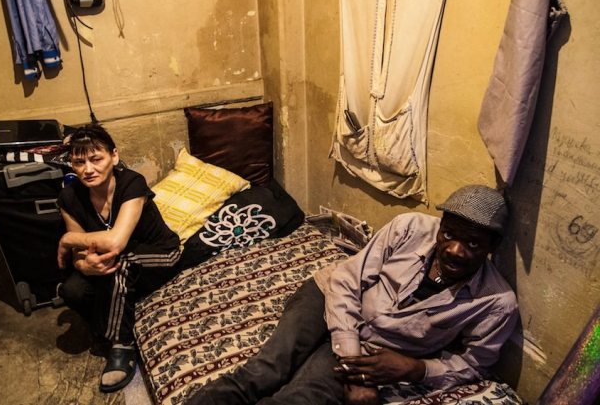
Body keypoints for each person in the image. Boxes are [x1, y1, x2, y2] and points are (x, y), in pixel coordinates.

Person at [186, 185, 519, 405]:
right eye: (449, 235)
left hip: (373, 347)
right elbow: (347, 281)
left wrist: (415, 369)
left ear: (493, 246)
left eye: (473, 243)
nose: (455, 250)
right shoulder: (411, 228)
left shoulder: (496, 303)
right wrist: (349, 355)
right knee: (264, 371)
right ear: (440, 225)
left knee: (302, 398)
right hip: (328, 297)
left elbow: (474, 364)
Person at [56, 123, 182, 393]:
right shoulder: (69, 196)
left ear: (114, 156)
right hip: (113, 260)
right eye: (79, 162)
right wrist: (83, 265)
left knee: (121, 261)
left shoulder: (131, 183)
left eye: (96, 159)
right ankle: (106, 322)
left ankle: (122, 345)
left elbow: (115, 242)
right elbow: (79, 254)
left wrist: (66, 240)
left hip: (159, 254)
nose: (88, 169)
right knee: (72, 289)